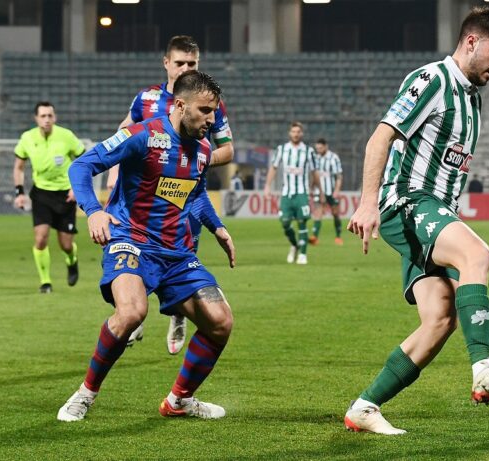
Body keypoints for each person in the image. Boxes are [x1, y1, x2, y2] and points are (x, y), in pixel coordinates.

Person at [344, 7, 489, 435]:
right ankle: (483, 366)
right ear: (471, 42)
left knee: (441, 318)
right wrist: (368, 202)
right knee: (477, 254)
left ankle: (364, 408)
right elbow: (380, 137)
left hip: (435, 210)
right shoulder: (432, 80)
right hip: (406, 200)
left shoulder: (472, 99)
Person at [58, 70, 236, 422]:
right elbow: (81, 166)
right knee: (131, 313)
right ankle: (85, 394)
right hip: (131, 240)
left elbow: (195, 195)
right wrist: (94, 211)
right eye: (204, 111)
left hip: (176, 252)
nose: (211, 120)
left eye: (214, 112)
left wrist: (217, 227)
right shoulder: (143, 135)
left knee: (221, 321)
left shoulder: (203, 150)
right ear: (180, 105)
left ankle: (179, 401)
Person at [107, 35, 235, 354]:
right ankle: (135, 313)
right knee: (141, 253)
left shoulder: (210, 103)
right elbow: (124, 129)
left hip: (186, 193)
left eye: (192, 63)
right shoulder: (146, 99)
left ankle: (178, 315)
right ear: (166, 63)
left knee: (180, 256)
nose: (186, 68)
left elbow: (228, 150)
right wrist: (114, 167)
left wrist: (192, 161)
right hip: (145, 194)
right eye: (180, 62)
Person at [13, 102, 85, 293]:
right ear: (36, 118)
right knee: (40, 239)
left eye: (50, 116)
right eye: (43, 116)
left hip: (65, 195)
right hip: (41, 194)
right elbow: (19, 167)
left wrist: (76, 188)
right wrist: (19, 193)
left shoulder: (66, 136)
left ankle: (72, 260)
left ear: (55, 117)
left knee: (66, 244)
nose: (46, 119)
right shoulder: (27, 138)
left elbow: (84, 160)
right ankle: (45, 282)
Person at [263, 121, 321, 265]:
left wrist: (320, 190)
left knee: (302, 222)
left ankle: (303, 254)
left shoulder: (308, 151)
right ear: (290, 133)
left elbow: (314, 172)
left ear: (302, 134)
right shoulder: (282, 149)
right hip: (287, 194)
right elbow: (273, 167)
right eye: (293, 132)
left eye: (298, 132)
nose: (296, 134)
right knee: (285, 223)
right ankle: (295, 245)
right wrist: (267, 186)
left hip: (302, 193)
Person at [309, 138, 344, 246]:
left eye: (320, 148)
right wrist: (311, 188)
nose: (318, 150)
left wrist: (337, 190)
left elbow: (339, 176)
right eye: (317, 148)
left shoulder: (333, 158)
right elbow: (314, 175)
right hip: (319, 191)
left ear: (325, 146)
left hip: (331, 191)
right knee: (318, 213)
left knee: (335, 213)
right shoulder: (315, 158)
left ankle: (338, 236)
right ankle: (315, 237)